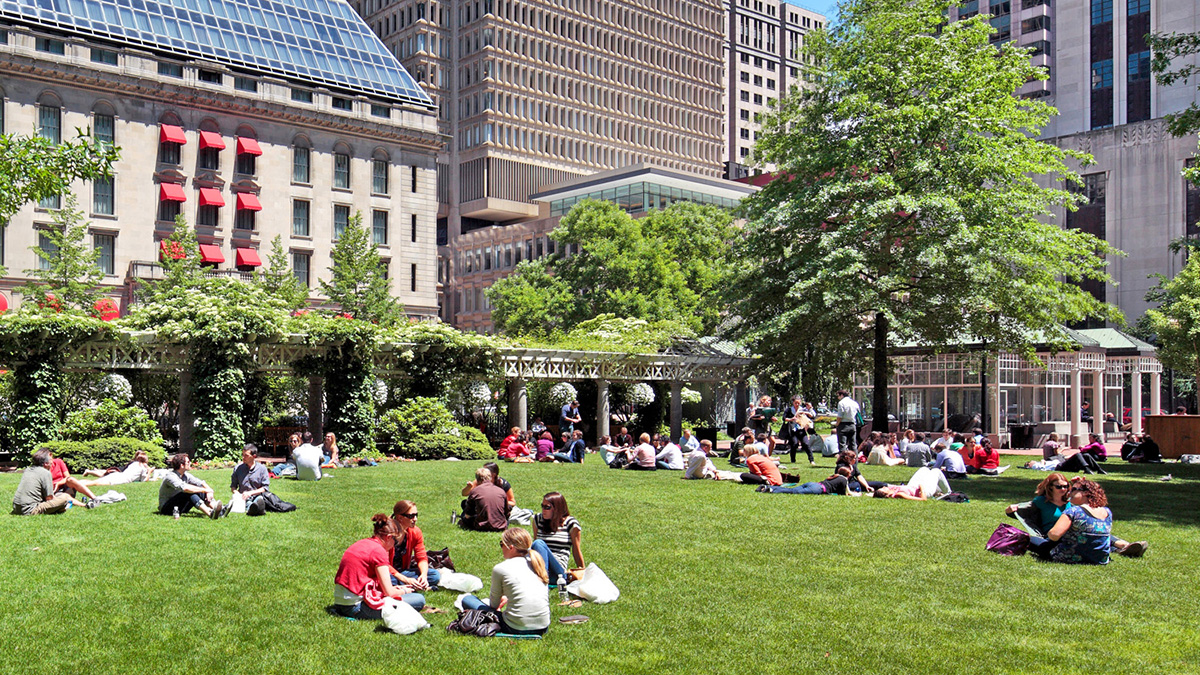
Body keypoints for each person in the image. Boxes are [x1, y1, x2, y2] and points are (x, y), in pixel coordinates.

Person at [1007, 474, 1147, 557]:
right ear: (1050, 488)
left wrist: (1079, 485)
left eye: (1066, 486)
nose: (1064, 489)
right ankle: (1121, 548)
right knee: (1026, 539)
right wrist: (1011, 509)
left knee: (1092, 533)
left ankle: (1125, 546)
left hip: (1072, 534)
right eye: (1059, 487)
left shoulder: (1070, 503)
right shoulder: (1041, 502)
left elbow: (1082, 500)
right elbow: (1024, 514)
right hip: (1053, 536)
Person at [460, 527, 551, 636]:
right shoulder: (537, 565)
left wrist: (498, 608)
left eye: (502, 544)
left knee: (468, 599)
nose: (501, 547)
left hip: (514, 627)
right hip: (543, 627)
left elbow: (494, 604)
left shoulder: (501, 568)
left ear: (511, 548)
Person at [333, 514, 424, 619]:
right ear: (389, 537)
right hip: (356, 607)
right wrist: (405, 591)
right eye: (395, 542)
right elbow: (389, 592)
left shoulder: (363, 543)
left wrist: (397, 588)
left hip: (340, 603)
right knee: (419, 599)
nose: (393, 547)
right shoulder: (379, 551)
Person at [1029, 479, 1112, 564]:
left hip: (1071, 557)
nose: (1069, 492)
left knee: (1028, 539)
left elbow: (1054, 535)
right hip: (1099, 559)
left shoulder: (1073, 511)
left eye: (1073, 489)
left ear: (1086, 493)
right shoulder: (1107, 512)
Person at [12, 447, 93, 515]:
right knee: (64, 498)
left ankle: (84, 504)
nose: (52, 462)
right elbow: (49, 498)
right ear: (46, 464)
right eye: (51, 460)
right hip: (30, 510)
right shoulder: (45, 473)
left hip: (16, 508)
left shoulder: (28, 470)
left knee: (61, 499)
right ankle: (85, 505)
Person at [532, 492, 584, 585]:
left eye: (547, 507)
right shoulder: (538, 519)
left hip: (558, 573)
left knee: (538, 543)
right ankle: (540, 578)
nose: (543, 510)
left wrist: (583, 573)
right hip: (538, 567)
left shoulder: (571, 523)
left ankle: (542, 581)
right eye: (542, 506)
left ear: (557, 508)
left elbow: (576, 550)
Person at [390, 500, 441, 590]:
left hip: (403, 572)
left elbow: (421, 557)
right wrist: (405, 579)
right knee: (387, 579)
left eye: (416, 515)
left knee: (434, 575)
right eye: (411, 516)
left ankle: (407, 586)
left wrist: (424, 576)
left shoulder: (415, 532)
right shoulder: (387, 533)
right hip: (386, 572)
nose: (415, 519)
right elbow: (382, 564)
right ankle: (406, 585)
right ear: (400, 517)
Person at [158, 453, 224, 519]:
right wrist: (206, 490)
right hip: (167, 509)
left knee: (199, 489)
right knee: (189, 492)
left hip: (180, 507)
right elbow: (185, 488)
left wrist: (209, 491)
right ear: (182, 465)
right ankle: (210, 513)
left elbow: (201, 482)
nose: (190, 463)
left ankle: (220, 511)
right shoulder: (170, 476)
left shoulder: (185, 475)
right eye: (188, 462)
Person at [230, 444, 273, 515]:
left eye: (246, 455)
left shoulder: (262, 469)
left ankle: (256, 507)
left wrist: (250, 493)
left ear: (254, 456)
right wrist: (237, 494)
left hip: (257, 495)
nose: (243, 457)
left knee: (259, 499)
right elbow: (233, 486)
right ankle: (255, 508)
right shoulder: (238, 468)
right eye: (242, 455)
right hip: (243, 497)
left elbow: (265, 488)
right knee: (248, 502)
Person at [757, 467, 852, 495]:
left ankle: (768, 487)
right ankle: (771, 490)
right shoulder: (843, 479)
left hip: (814, 484)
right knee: (792, 491)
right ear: (847, 475)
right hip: (818, 489)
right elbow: (842, 494)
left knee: (793, 489)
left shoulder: (835, 476)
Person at [83, 450, 154, 486]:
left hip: (117, 475)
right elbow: (144, 480)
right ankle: (81, 485)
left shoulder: (134, 464)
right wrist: (150, 472)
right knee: (96, 483)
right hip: (121, 479)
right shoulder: (142, 468)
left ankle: (80, 483)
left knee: (97, 481)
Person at [783, 395, 817, 465]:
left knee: (806, 444)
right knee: (794, 444)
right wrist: (791, 419)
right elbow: (784, 418)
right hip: (793, 430)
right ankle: (793, 460)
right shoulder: (789, 410)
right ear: (793, 402)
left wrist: (808, 411)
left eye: (798, 403)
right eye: (796, 403)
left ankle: (811, 460)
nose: (797, 405)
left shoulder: (803, 410)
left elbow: (812, 416)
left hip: (801, 430)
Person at [835, 389, 861, 454]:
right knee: (853, 445)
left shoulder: (841, 403)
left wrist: (837, 424)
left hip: (843, 425)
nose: (838, 398)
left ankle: (843, 462)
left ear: (842, 395)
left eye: (838, 396)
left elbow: (840, 416)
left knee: (842, 445)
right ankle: (855, 462)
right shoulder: (854, 403)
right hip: (852, 424)